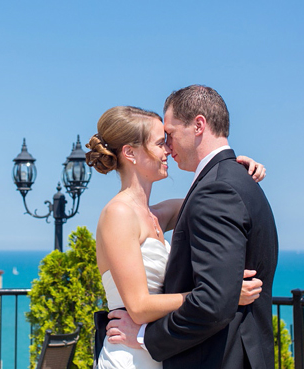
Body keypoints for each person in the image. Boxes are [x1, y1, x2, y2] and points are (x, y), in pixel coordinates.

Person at [106, 86, 279, 368]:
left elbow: (212, 301)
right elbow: (203, 205)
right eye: (160, 142)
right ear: (131, 153)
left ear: (198, 125)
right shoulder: (223, 188)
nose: (167, 148)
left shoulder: (218, 189)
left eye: (169, 136)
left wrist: (237, 168)